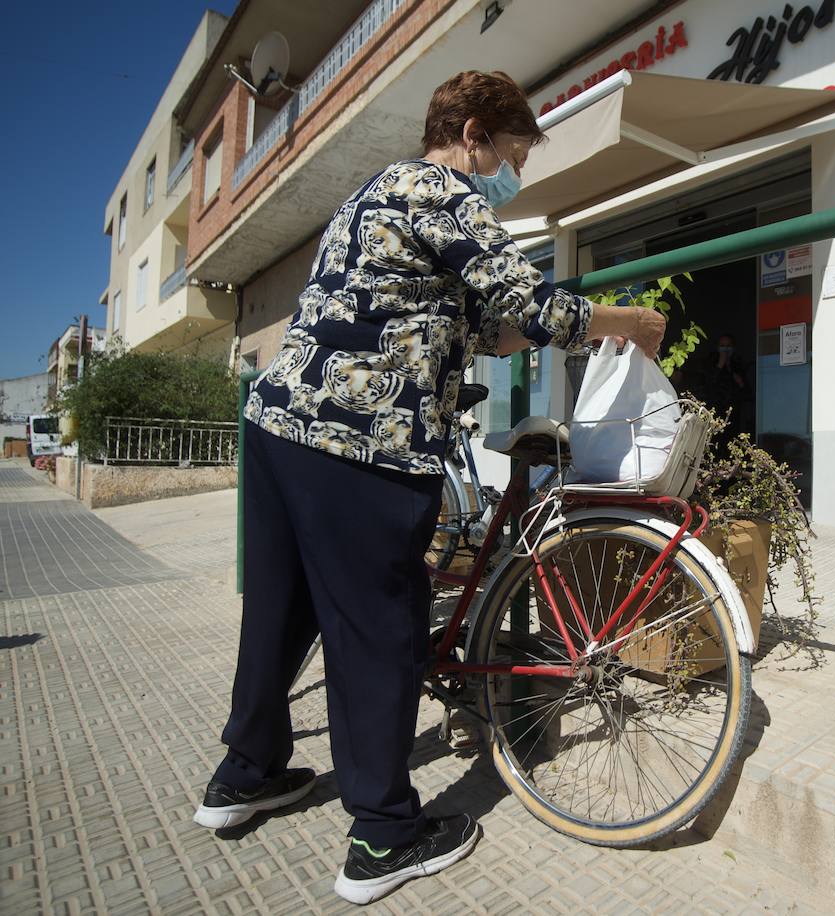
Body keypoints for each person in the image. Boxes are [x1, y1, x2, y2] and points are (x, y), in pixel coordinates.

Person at [193, 71, 664, 905]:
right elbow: (531, 301)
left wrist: (520, 333)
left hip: (279, 425)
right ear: (475, 134)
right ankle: (383, 836)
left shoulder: (377, 194)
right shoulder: (440, 188)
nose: (512, 174)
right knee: (380, 628)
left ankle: (246, 773)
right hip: (358, 440)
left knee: (283, 611)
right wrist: (625, 322)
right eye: (512, 154)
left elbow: (487, 325)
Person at [705, 333, 747, 440]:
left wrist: (741, 383)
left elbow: (747, 391)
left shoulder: (737, 364)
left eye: (728, 346)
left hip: (734, 413)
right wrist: (720, 364)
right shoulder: (711, 362)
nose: (725, 349)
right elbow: (708, 384)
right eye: (722, 346)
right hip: (717, 411)